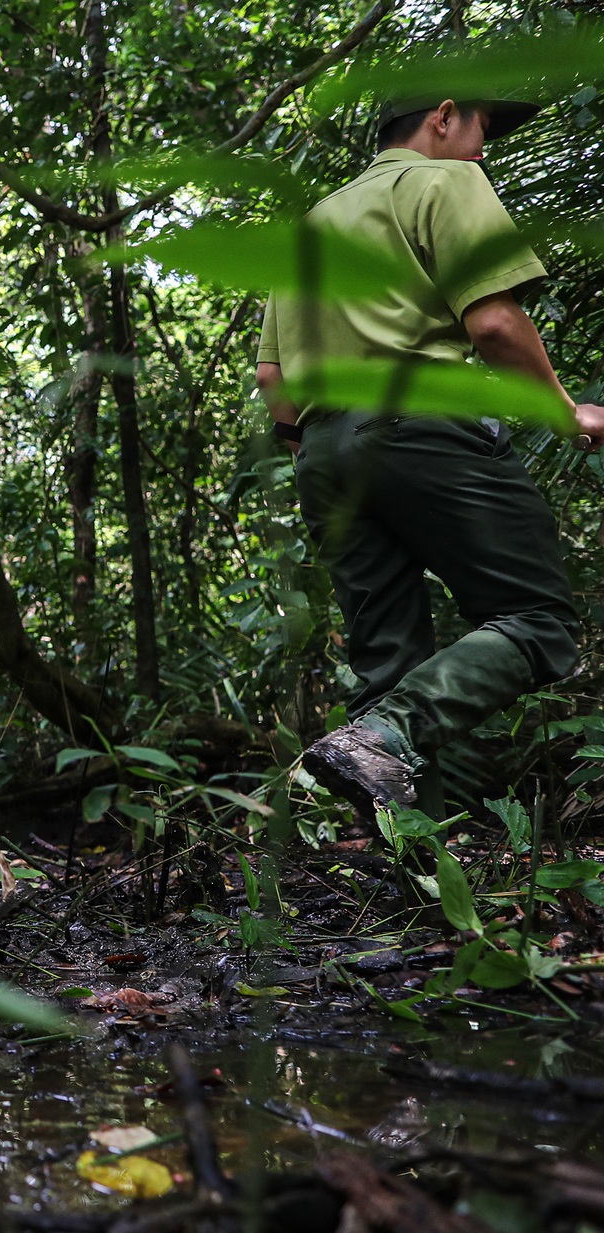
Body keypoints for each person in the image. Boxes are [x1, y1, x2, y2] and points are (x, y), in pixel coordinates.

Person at [257, 95, 604, 821]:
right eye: (481, 131)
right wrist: (566, 410)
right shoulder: (444, 182)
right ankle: (391, 732)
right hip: (419, 422)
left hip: (323, 453)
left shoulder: (312, 226)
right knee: (538, 618)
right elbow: (495, 321)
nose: (485, 151)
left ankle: (413, 874)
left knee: (389, 665)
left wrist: (314, 451)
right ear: (444, 118)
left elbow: (272, 379)